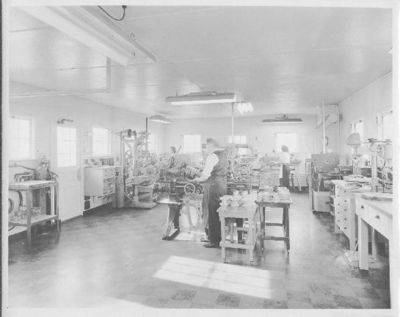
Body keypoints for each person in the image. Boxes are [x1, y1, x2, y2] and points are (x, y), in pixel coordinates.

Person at [194, 138, 228, 248]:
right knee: (218, 212)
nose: (206, 149)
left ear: (211, 146)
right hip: (221, 185)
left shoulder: (212, 156)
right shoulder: (223, 154)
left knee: (211, 213)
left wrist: (196, 179)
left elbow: (205, 176)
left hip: (213, 186)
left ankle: (213, 240)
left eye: (207, 146)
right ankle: (215, 237)